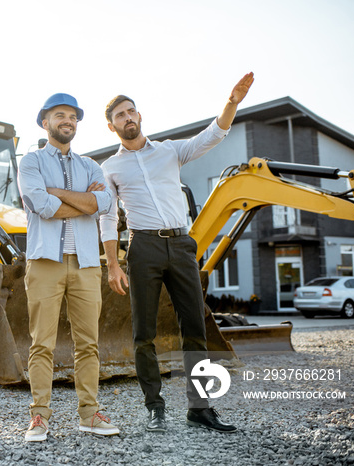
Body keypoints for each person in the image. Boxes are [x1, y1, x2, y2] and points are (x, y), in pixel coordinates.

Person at [99, 73, 255, 434]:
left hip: (182, 245)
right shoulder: (110, 168)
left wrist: (231, 102)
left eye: (131, 111)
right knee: (144, 333)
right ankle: (155, 408)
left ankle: (199, 409)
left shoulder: (170, 150)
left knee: (195, 329)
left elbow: (212, 136)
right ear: (112, 126)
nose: (128, 118)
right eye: (120, 115)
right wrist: (112, 265)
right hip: (143, 248)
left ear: (140, 116)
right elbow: (108, 220)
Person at [17, 93, 119, 442]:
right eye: (60, 115)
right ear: (45, 122)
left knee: (88, 343)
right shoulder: (30, 163)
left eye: (73, 117)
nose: (68, 121)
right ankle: (39, 417)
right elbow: (41, 206)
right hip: (45, 262)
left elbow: (104, 203)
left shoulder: (91, 166)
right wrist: (83, 203)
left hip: (87, 264)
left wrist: (58, 192)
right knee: (41, 343)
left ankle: (89, 414)